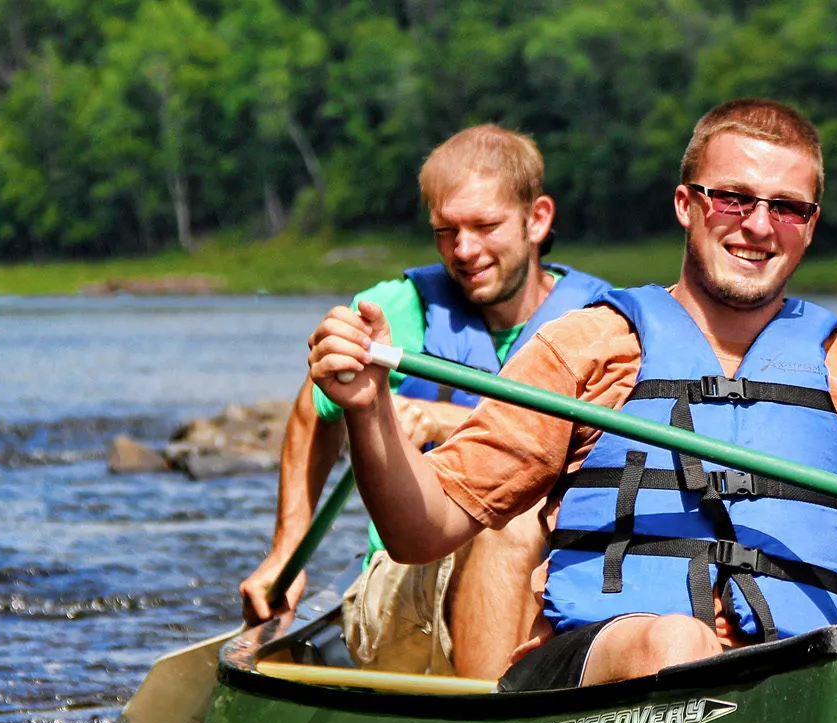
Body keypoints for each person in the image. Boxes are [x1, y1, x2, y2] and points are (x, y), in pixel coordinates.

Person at [306, 99, 837, 716]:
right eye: (733, 197)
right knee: (678, 640)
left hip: (783, 689)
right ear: (687, 205)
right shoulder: (588, 347)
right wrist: (368, 411)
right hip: (596, 678)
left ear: (810, 224)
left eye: (786, 208)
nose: (759, 226)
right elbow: (419, 529)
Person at [239, 124, 610, 679]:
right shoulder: (398, 309)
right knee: (509, 517)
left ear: (538, 220)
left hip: (563, 572)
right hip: (406, 576)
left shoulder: (603, 324)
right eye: (446, 231)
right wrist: (285, 551)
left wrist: (443, 418)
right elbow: (312, 412)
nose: (464, 251)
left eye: (485, 226)